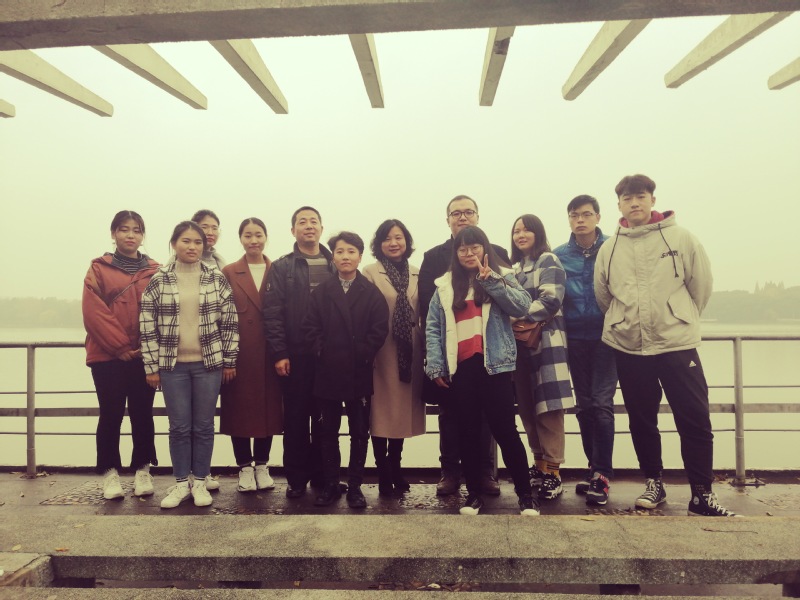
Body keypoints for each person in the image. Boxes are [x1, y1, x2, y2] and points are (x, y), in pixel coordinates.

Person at [594, 174, 739, 517]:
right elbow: (604, 295)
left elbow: (700, 286)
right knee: (642, 420)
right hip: (630, 348)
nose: (634, 203)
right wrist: (627, 322)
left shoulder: (681, 238)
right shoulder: (610, 248)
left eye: (641, 196)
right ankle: (654, 483)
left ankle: (702, 494)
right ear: (619, 205)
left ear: (652, 200)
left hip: (677, 345)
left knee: (695, 418)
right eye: (627, 198)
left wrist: (678, 318)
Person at [425, 226, 538, 516]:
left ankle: (526, 496)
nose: (468, 253)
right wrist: (436, 365)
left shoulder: (502, 275)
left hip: (495, 366)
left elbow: (523, 306)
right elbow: (433, 327)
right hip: (461, 368)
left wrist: (492, 282)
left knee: (506, 431)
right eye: (462, 249)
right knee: (468, 433)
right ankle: (474, 495)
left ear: (484, 249)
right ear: (456, 253)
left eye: (474, 247)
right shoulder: (445, 285)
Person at [140, 221, 238, 509]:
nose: (192, 246)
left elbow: (229, 322)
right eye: (186, 241)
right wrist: (151, 367)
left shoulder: (216, 278)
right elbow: (147, 326)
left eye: (197, 242)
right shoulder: (159, 280)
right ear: (174, 244)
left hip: (209, 365)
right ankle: (182, 482)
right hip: (173, 367)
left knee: (204, 426)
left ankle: (201, 481)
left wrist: (229, 360)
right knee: (179, 427)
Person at [418, 194, 508, 497]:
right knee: (449, 414)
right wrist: (436, 359)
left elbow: (508, 302)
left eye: (468, 211)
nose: (462, 217)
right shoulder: (433, 257)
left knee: (487, 416)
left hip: (488, 352)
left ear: (478, 217)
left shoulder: (497, 253)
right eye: (456, 213)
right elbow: (428, 310)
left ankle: (484, 473)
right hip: (450, 351)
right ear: (447, 220)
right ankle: (450, 472)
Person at [303, 231, 389, 508]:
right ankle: (330, 485)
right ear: (333, 257)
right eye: (340, 251)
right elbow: (310, 327)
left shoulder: (370, 292)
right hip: (327, 372)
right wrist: (322, 351)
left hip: (358, 372)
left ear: (360, 256)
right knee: (327, 432)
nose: (345, 257)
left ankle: (355, 487)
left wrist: (361, 354)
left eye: (351, 251)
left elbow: (379, 330)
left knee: (359, 432)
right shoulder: (322, 292)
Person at [82, 210, 159, 500]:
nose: (131, 235)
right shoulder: (99, 269)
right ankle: (110, 472)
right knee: (111, 414)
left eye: (137, 230)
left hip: (145, 356)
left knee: (143, 414)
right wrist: (121, 347)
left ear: (142, 235)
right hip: (107, 357)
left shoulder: (155, 270)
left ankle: (142, 469)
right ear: (113, 234)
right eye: (124, 229)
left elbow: (164, 312)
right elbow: (94, 312)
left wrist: (145, 347)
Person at [262, 206, 334, 498]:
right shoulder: (283, 267)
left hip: (329, 357)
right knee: (296, 418)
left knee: (326, 419)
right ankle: (296, 479)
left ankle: (324, 477)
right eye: (302, 222)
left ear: (321, 228)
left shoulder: (335, 263)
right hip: (296, 355)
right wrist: (279, 352)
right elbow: (272, 312)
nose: (308, 226)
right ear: (293, 230)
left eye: (313, 221)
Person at [553, 196, 617, 505]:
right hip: (575, 338)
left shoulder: (614, 248)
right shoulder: (559, 256)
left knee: (602, 404)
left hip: (608, 339)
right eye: (574, 215)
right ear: (569, 219)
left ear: (598, 217)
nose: (580, 220)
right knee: (583, 406)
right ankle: (594, 470)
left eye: (586, 214)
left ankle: (602, 476)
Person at [510, 214, 574, 501]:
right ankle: (538, 465)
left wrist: (515, 316)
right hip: (521, 345)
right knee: (527, 407)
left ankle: (553, 472)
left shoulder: (548, 260)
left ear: (538, 233)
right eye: (516, 231)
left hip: (547, 343)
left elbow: (551, 300)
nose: (521, 235)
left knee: (549, 409)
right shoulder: (514, 269)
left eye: (526, 230)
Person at [363, 219, 426, 496]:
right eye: (387, 238)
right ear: (379, 244)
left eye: (398, 237)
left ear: (406, 241)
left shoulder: (417, 273)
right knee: (381, 412)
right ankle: (383, 472)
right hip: (381, 350)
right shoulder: (370, 272)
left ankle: (396, 467)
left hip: (409, 350)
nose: (393, 243)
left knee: (401, 413)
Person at [220, 218, 283, 493]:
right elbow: (221, 316)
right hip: (239, 353)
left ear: (266, 237)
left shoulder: (277, 270)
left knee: (269, 408)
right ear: (240, 239)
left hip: (271, 352)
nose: (253, 240)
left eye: (258, 234)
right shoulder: (229, 272)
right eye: (248, 235)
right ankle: (244, 467)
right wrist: (227, 357)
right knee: (239, 409)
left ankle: (262, 465)